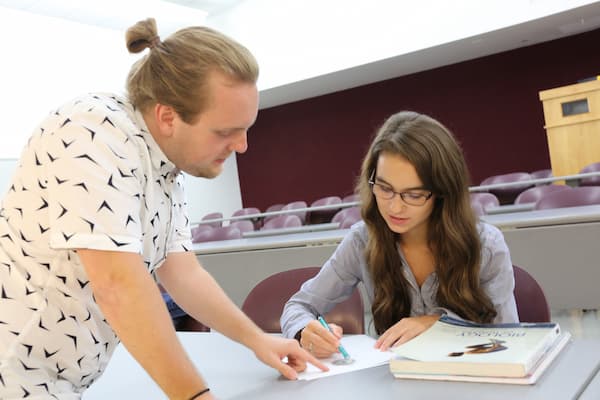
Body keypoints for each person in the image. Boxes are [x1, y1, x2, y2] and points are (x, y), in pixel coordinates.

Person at [0, 18, 325, 400]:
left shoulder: (166, 169)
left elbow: (182, 272)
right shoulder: (92, 131)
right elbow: (118, 286)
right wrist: (194, 395)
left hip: (56, 379)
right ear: (167, 116)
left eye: (246, 129)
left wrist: (257, 340)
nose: (242, 146)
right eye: (225, 132)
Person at [281, 111, 518, 358]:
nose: (394, 207)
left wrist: (439, 324)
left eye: (413, 195)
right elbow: (298, 306)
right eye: (384, 188)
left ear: (443, 192)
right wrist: (303, 332)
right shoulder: (362, 241)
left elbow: (510, 339)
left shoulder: (486, 246)